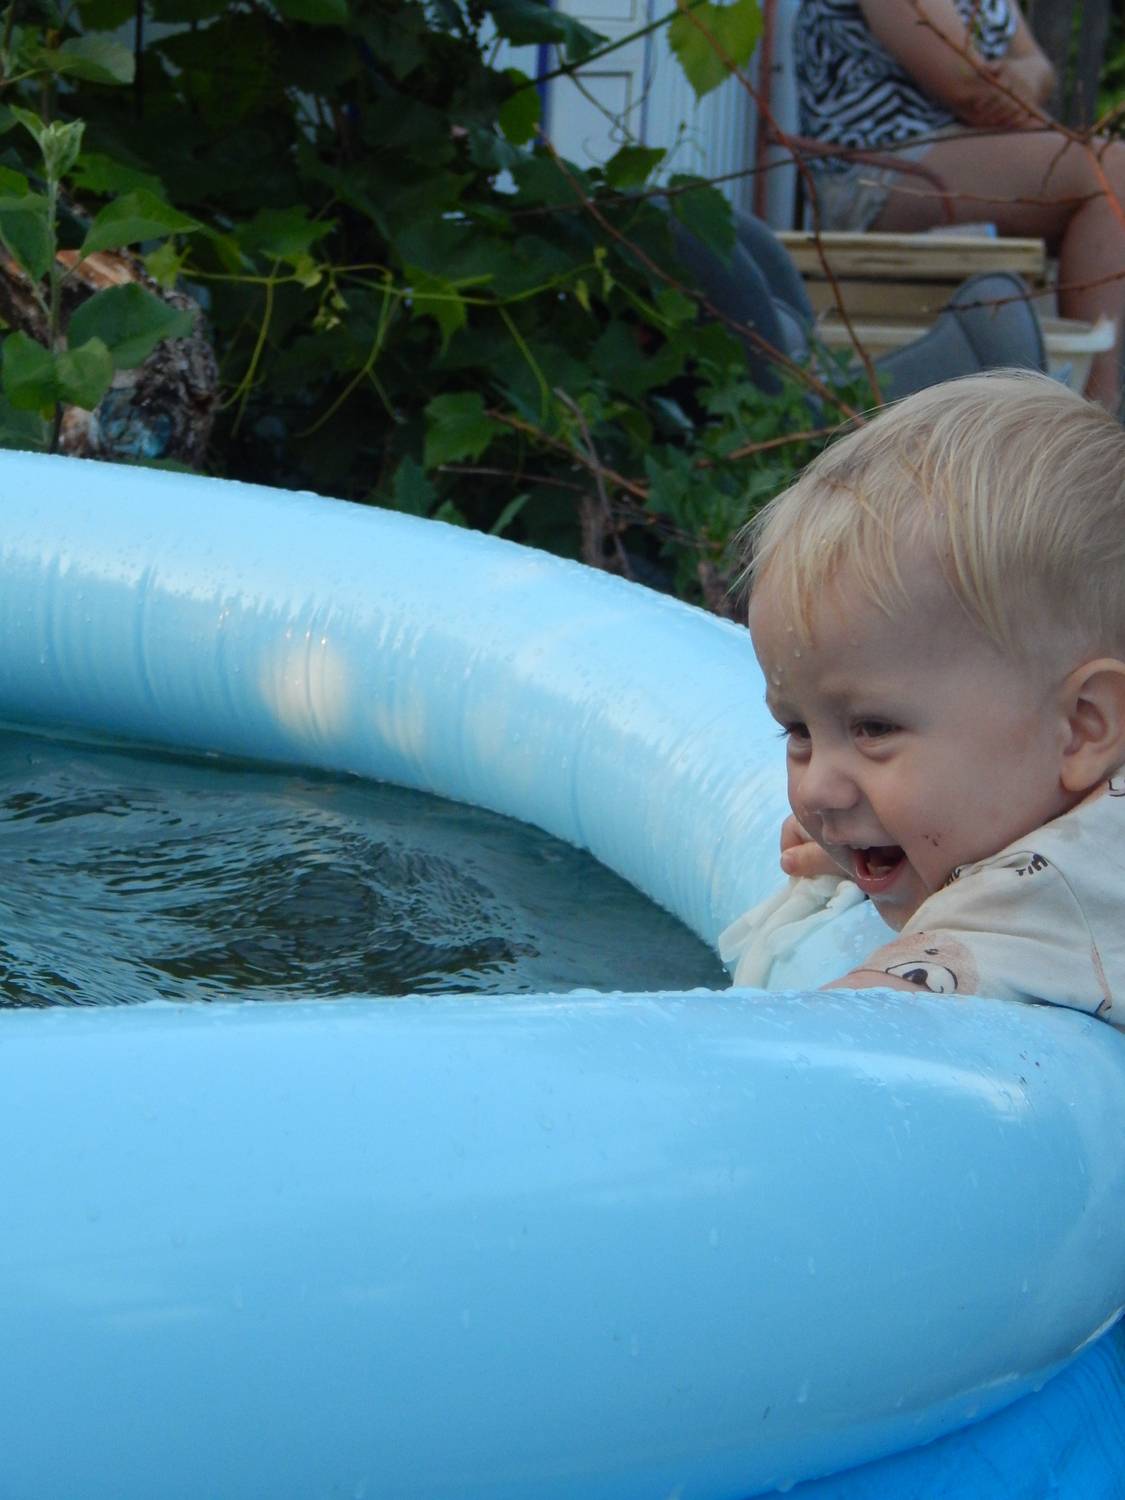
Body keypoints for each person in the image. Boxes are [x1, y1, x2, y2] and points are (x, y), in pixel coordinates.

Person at [727, 369, 1125, 1024]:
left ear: (1082, 726)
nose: (818, 790)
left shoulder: (1055, 892)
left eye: (873, 729)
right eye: (798, 731)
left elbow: (856, 1032)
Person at [794, 0, 1125, 413]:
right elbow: (970, 89)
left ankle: (1092, 407)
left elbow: (1037, 64)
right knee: (1110, 172)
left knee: (1110, 173)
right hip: (877, 170)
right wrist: (1045, 118)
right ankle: (1093, 415)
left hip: (957, 154)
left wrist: (1028, 74)